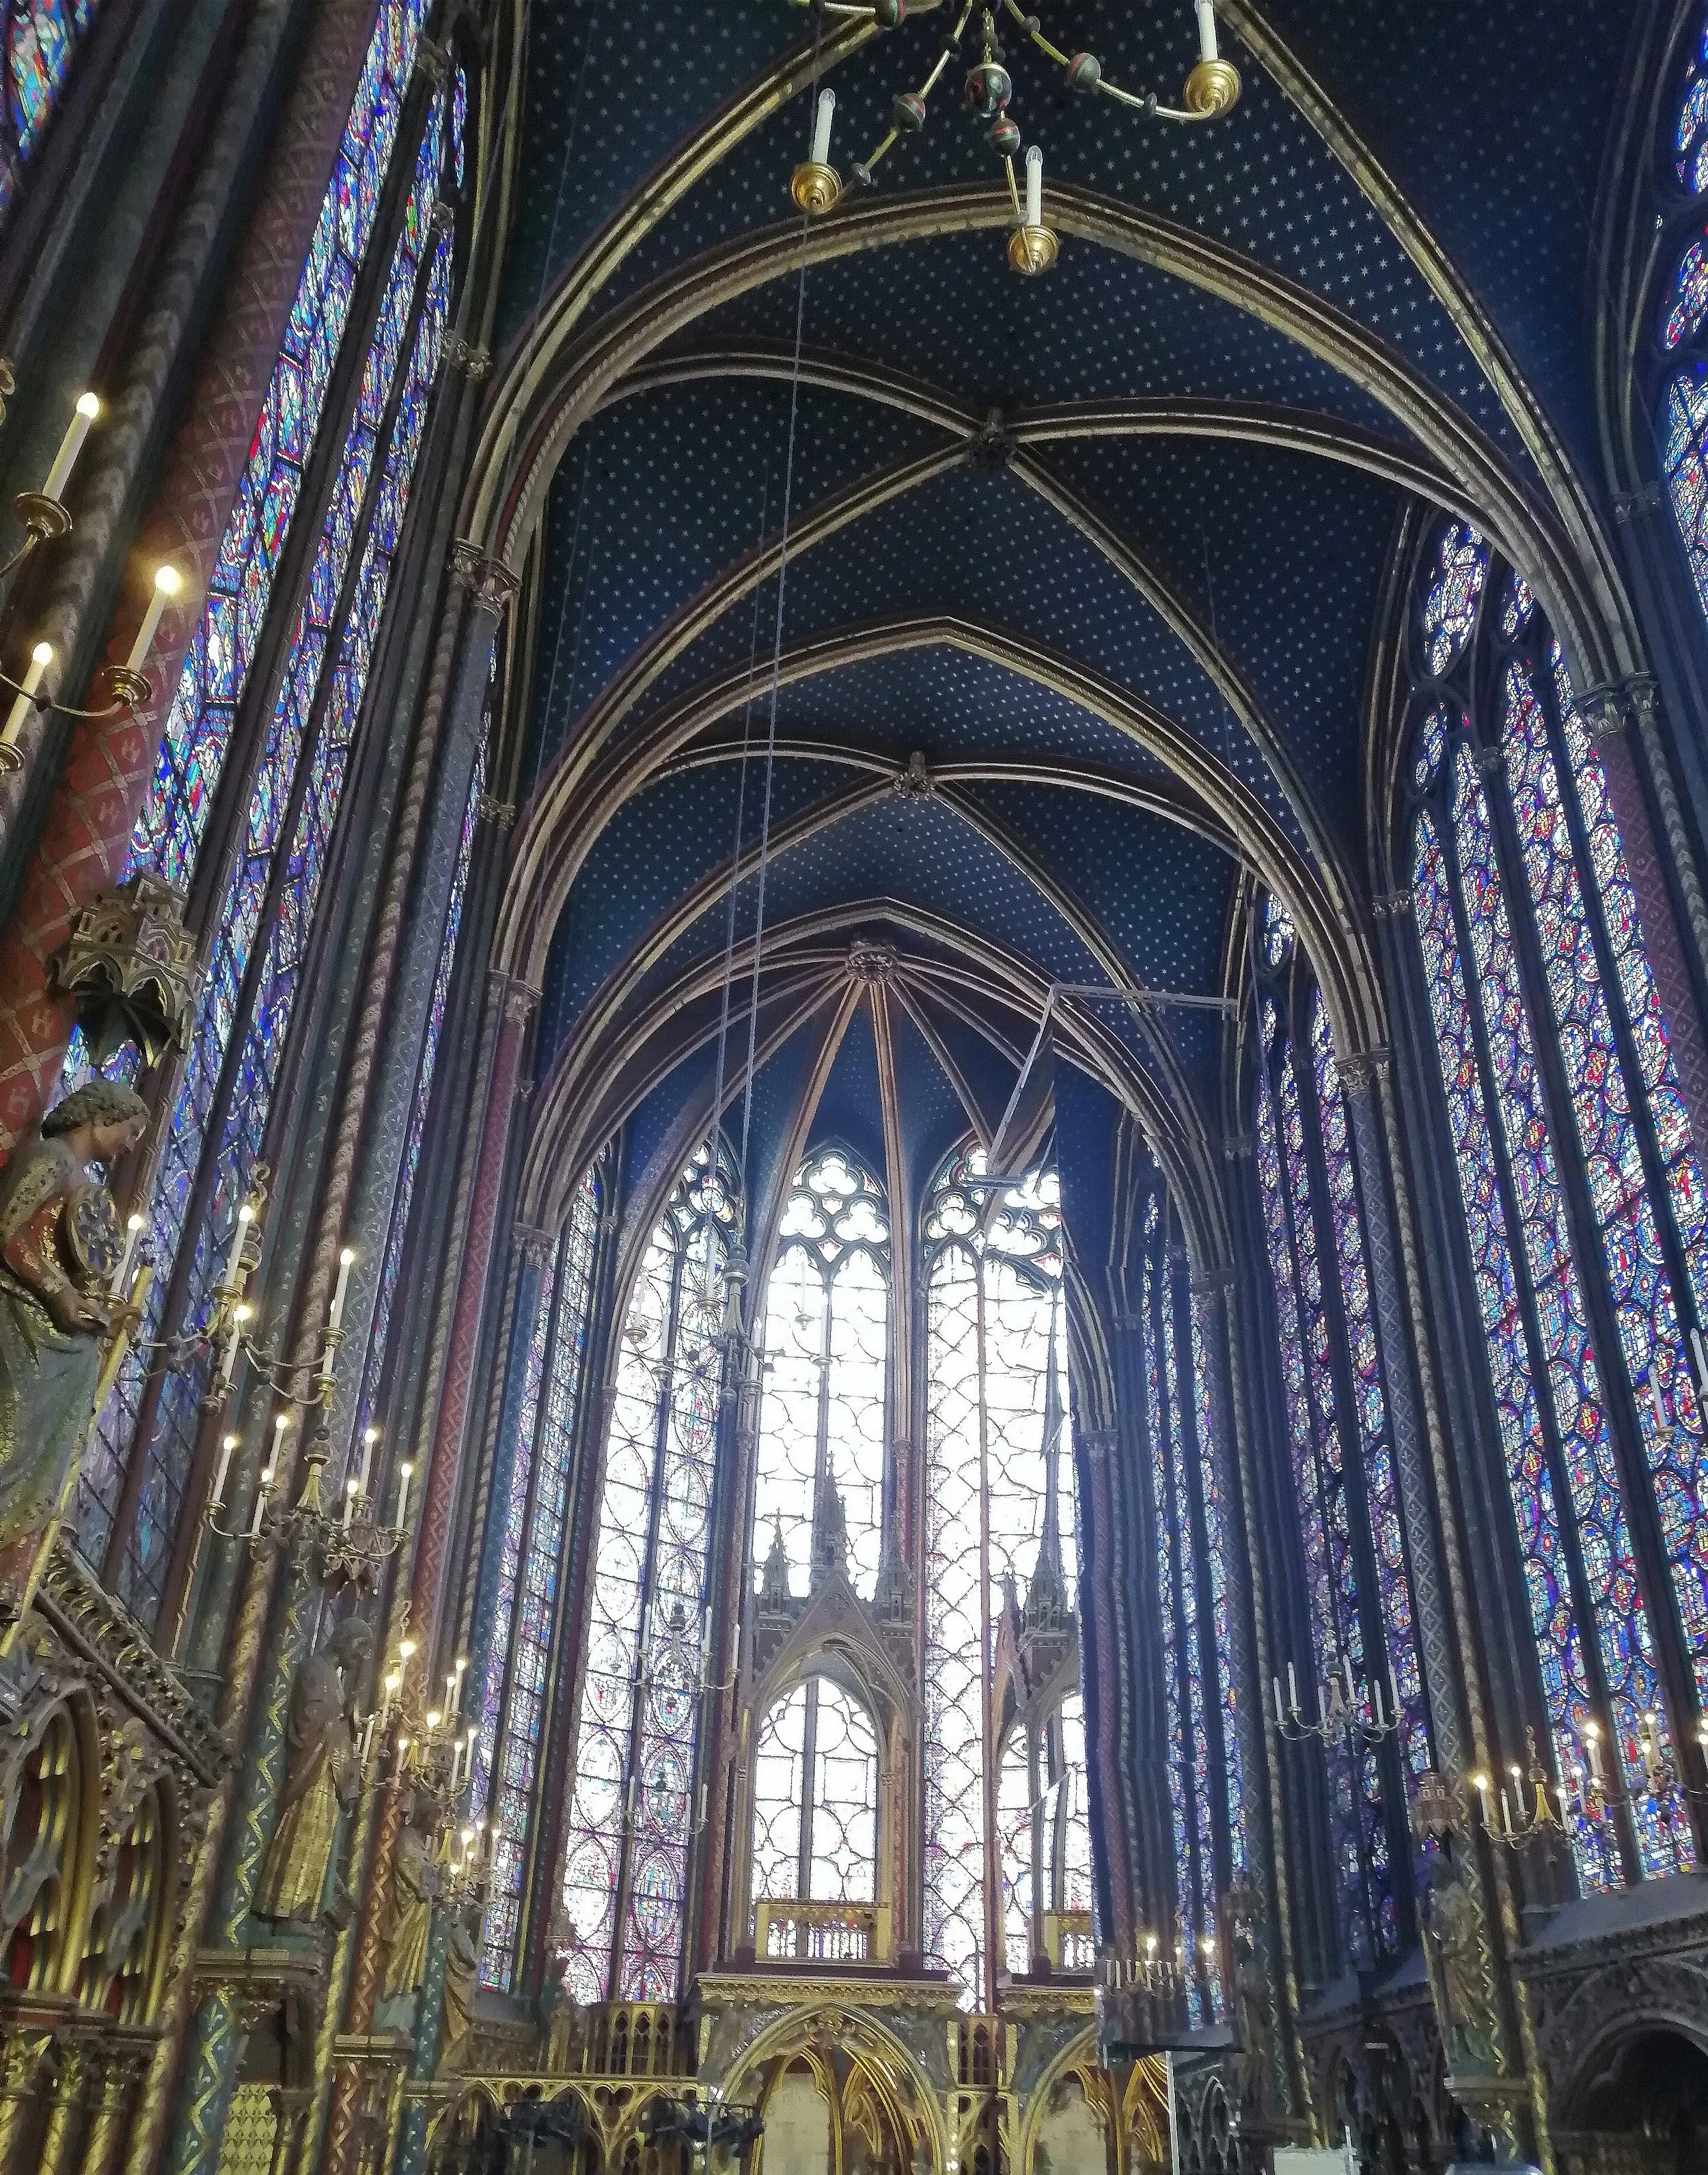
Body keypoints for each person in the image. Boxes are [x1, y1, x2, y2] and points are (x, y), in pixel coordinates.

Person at [0, 1081, 147, 1553]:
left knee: (37, 1447)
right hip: (19, 1321)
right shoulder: (51, 1158)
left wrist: (98, 1310)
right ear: (101, 1118)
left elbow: (67, 1262)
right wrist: (58, 1293)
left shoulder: (85, 1182)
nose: (130, 1145)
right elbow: (7, 1229)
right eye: (130, 1131)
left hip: (56, 1342)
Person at [254, 1617, 373, 1923]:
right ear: (347, 1641)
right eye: (358, 1650)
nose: (357, 1659)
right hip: (314, 1771)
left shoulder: (334, 1677)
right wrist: (341, 1717)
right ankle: (284, 1909)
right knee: (301, 1837)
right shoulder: (316, 1668)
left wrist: (348, 1717)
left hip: (328, 1773)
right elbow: (308, 1719)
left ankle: (303, 1911)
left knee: (319, 1846)